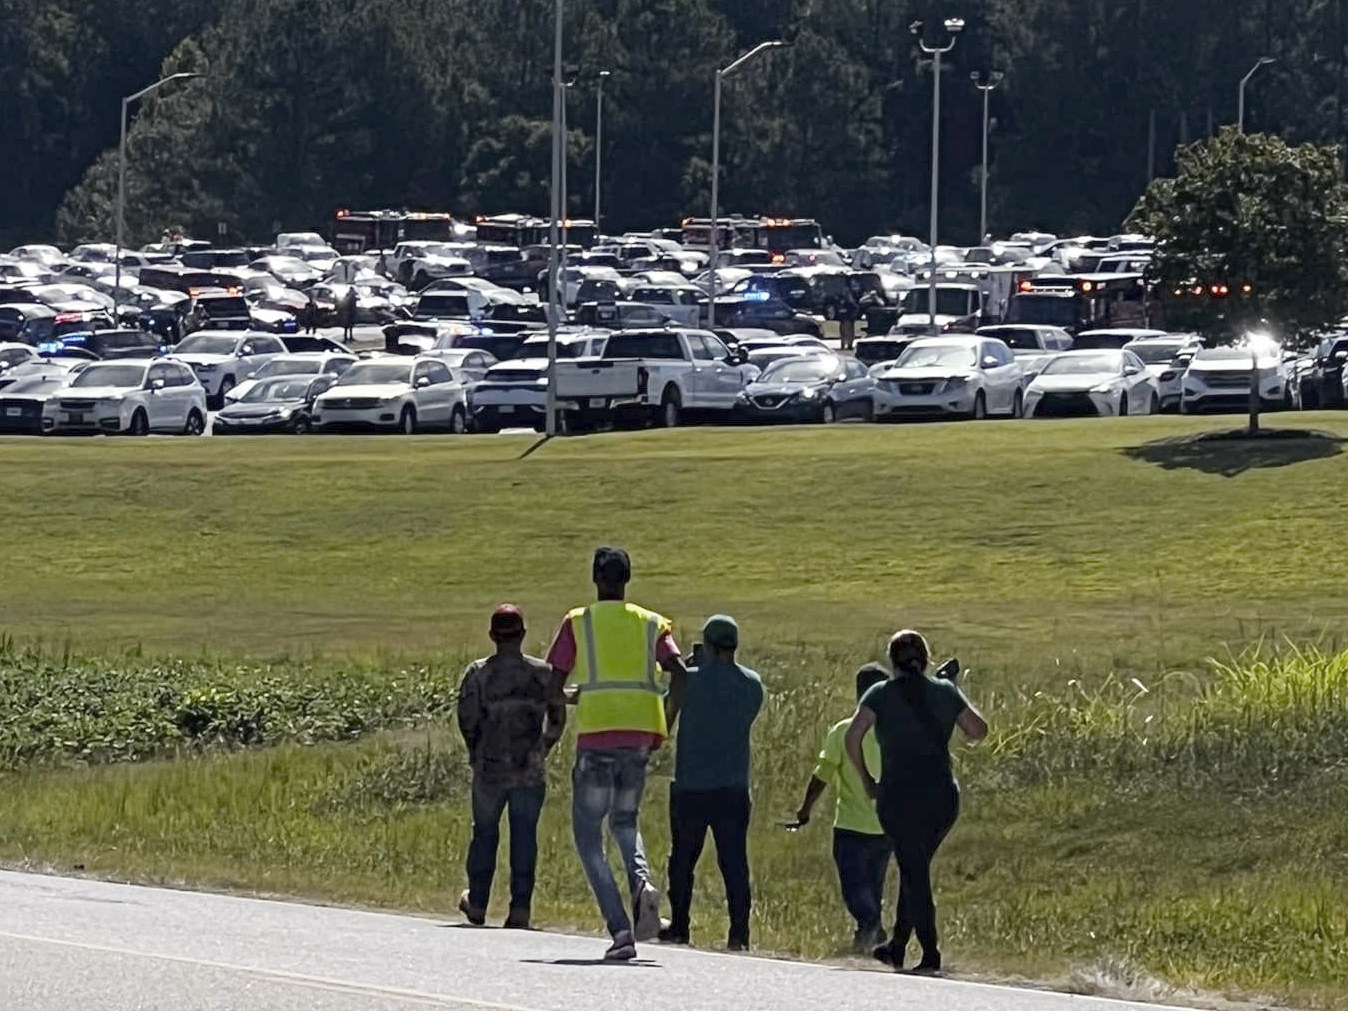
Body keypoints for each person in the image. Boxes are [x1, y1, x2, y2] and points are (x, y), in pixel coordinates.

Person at [547, 547, 688, 961]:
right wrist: (666, 719)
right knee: (625, 821)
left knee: (589, 836)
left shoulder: (579, 622)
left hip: (597, 736)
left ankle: (621, 929)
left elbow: (553, 685)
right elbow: (680, 674)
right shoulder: (651, 624)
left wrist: (577, 698)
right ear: (627, 580)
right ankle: (641, 883)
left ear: (595, 578)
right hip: (641, 733)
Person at [844, 631, 988, 975]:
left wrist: (867, 780)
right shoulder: (945, 692)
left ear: (892, 662)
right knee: (915, 867)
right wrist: (953, 690)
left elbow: (853, 737)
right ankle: (896, 945)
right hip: (942, 798)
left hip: (899, 797)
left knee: (915, 871)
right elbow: (978, 730)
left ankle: (930, 953)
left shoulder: (879, 694)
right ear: (926, 659)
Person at [455, 605, 566, 930]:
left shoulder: (478, 674)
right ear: (522, 635)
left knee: (485, 834)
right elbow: (558, 719)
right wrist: (542, 747)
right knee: (524, 837)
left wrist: (475, 750)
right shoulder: (543, 674)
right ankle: (520, 908)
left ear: (492, 636)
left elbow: (467, 719)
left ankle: (477, 901)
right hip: (529, 770)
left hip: (489, 769)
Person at [660, 615, 763, 951]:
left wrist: (690, 671)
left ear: (707, 644)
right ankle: (739, 934)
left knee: (682, 860)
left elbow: (666, 718)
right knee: (734, 862)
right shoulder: (752, 684)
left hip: (691, 783)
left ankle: (679, 926)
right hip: (732, 785)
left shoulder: (688, 682)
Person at [792, 662, 891, 953]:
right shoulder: (894, 733)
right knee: (874, 884)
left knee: (853, 886)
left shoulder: (844, 731)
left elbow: (822, 775)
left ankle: (871, 925)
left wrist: (805, 809)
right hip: (886, 826)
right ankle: (871, 932)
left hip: (850, 825)